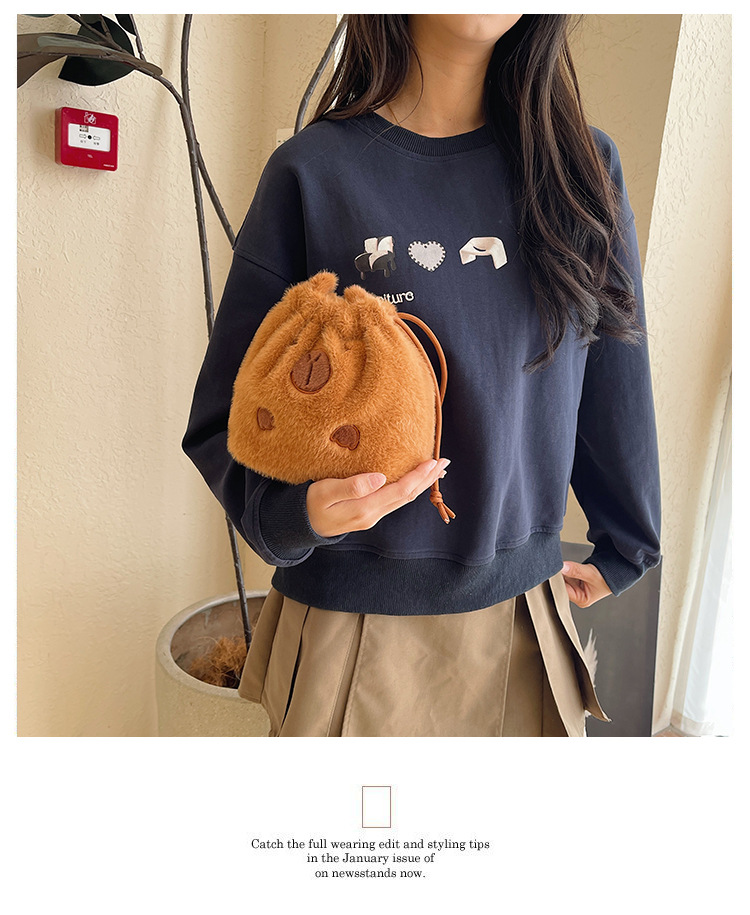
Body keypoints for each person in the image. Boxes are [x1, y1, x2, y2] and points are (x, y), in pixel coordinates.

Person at [182, 13, 661, 737]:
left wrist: (627, 542)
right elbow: (225, 418)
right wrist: (299, 514)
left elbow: (612, 375)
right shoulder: (313, 173)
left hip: (521, 619)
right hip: (350, 624)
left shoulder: (582, 172)